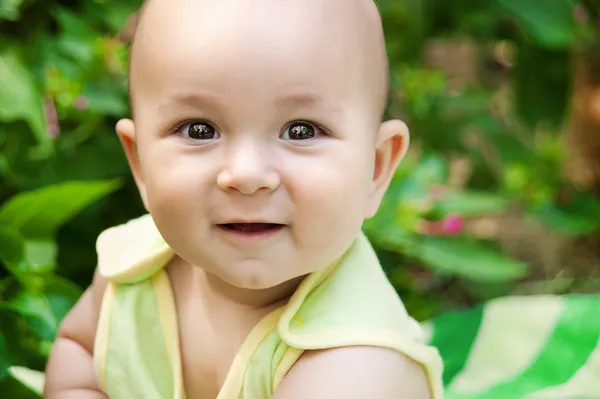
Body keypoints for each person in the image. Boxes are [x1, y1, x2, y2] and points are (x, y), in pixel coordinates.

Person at [43, 0, 444, 397]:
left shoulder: (355, 365)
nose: (247, 174)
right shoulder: (133, 267)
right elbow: (79, 354)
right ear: (141, 163)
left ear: (375, 169)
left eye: (301, 131)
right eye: (199, 130)